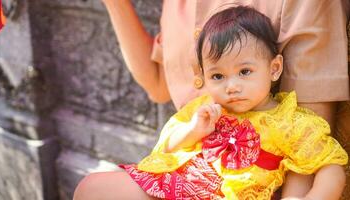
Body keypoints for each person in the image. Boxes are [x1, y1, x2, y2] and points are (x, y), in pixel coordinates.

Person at [74, 6, 348, 200]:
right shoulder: (206, 109)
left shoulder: (291, 121)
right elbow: (164, 148)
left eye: (245, 72)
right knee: (90, 188)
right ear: (203, 76)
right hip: (181, 186)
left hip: (233, 193)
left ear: (275, 69)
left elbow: (330, 166)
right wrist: (193, 131)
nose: (231, 86)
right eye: (217, 75)